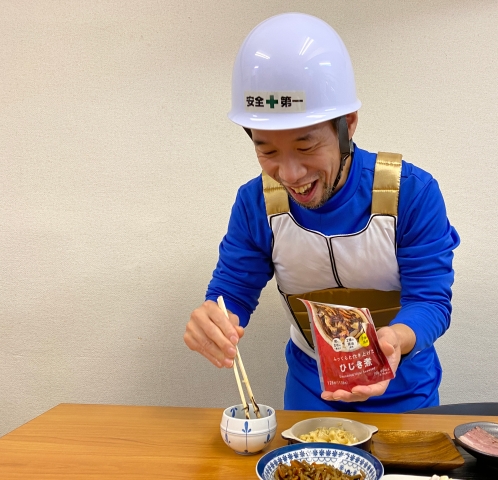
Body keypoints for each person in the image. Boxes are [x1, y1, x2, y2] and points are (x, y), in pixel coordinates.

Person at [184, 12, 460, 413]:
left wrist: (394, 340)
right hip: (311, 391)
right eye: (267, 150)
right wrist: (214, 319)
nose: (290, 174)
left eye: (306, 146)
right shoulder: (255, 203)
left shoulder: (411, 193)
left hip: (403, 386)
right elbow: (233, 292)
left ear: (347, 124)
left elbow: (431, 300)